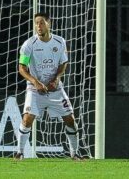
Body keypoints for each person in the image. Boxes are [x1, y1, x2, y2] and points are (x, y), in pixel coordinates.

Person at [15, 12, 81, 160]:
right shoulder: (28, 45)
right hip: (35, 90)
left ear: (49, 23)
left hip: (55, 90)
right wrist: (35, 82)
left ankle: (74, 154)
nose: (39, 26)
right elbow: (22, 68)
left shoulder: (59, 42)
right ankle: (19, 153)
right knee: (27, 119)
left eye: (42, 23)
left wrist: (57, 78)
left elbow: (64, 63)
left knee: (70, 120)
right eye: (36, 23)